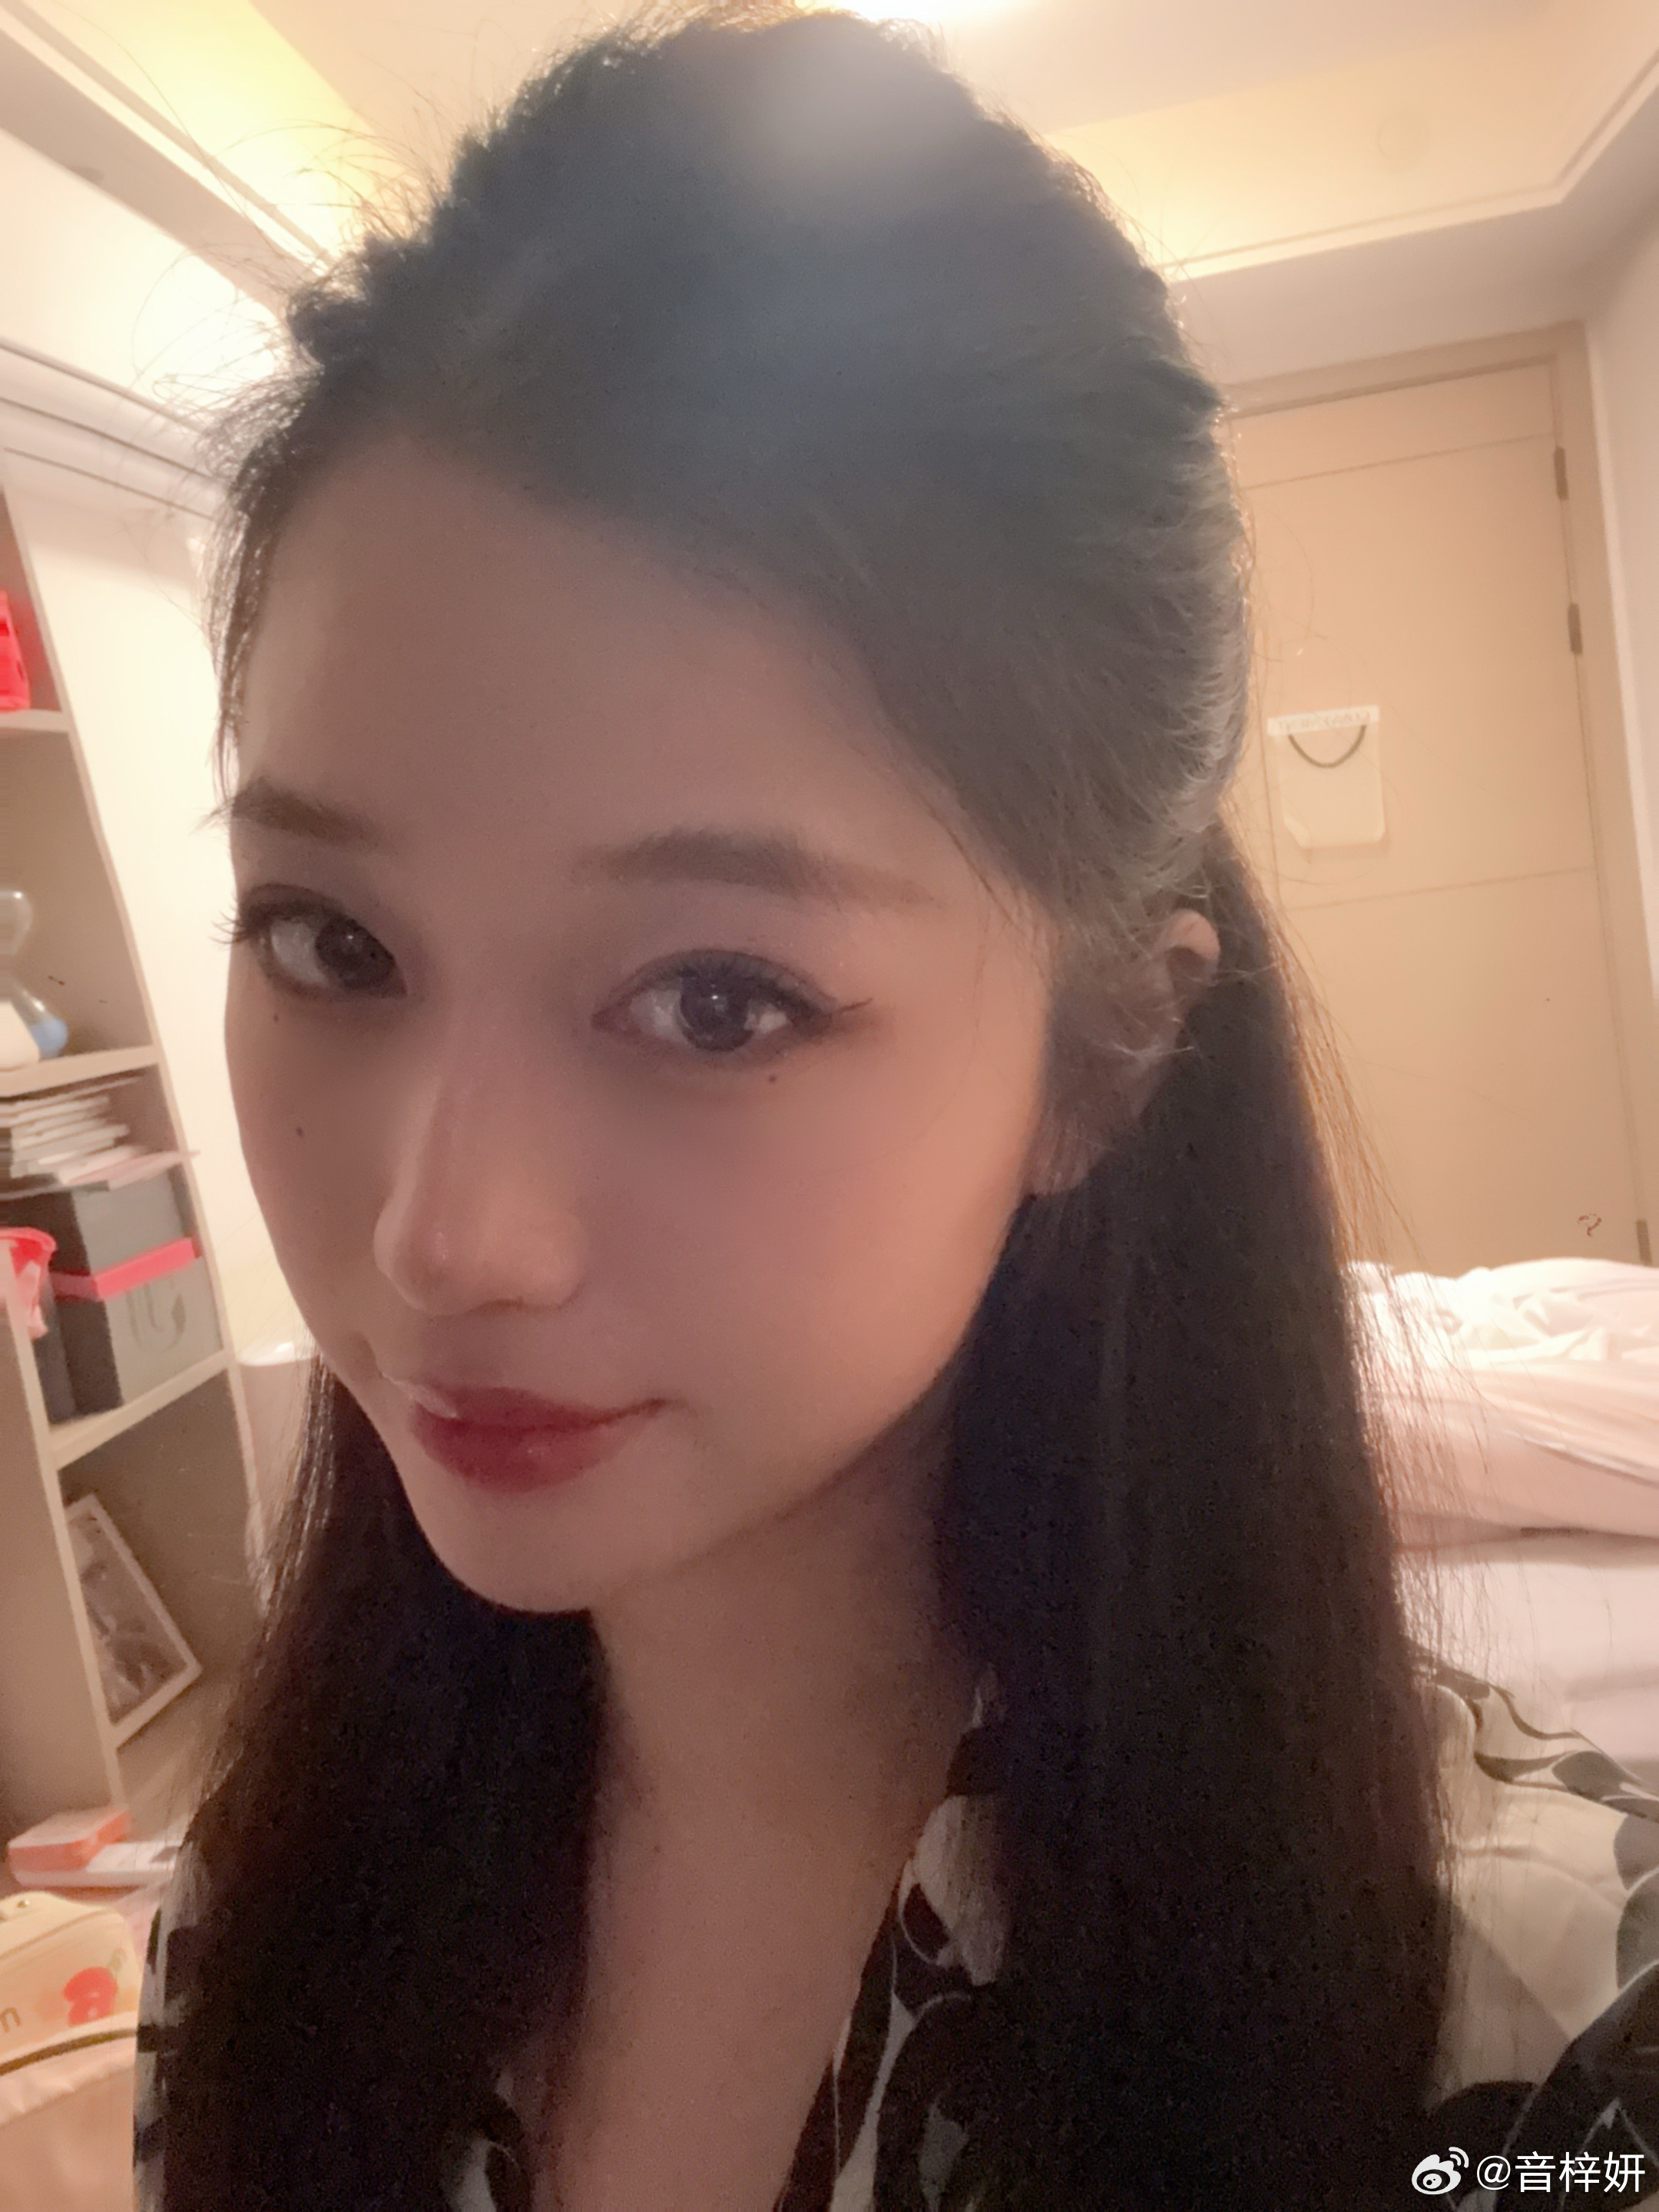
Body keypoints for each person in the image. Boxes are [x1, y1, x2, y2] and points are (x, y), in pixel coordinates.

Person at [133, 5, 1659, 2207]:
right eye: (333, 943)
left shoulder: (1531, 2058)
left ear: (1104, 1052)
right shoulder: (260, 1924)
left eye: (716, 1000)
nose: (442, 1237)